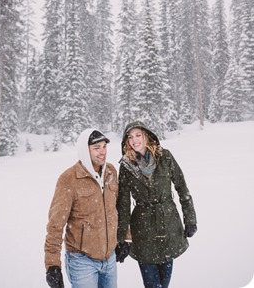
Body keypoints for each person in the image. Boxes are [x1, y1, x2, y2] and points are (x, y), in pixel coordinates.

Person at [116, 121, 197, 288]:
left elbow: (182, 188)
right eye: (130, 137)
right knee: (153, 285)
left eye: (138, 135)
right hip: (142, 231)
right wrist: (121, 237)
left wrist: (190, 219)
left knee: (164, 283)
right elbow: (123, 204)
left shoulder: (165, 156)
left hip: (168, 225)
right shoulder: (126, 165)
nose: (134, 140)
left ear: (147, 136)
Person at [44, 128, 118, 288]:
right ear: (85, 150)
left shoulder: (111, 171)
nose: (102, 152)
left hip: (109, 258)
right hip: (82, 261)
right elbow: (55, 224)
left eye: (104, 147)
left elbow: (115, 209)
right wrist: (52, 265)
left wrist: (124, 237)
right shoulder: (69, 179)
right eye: (96, 148)